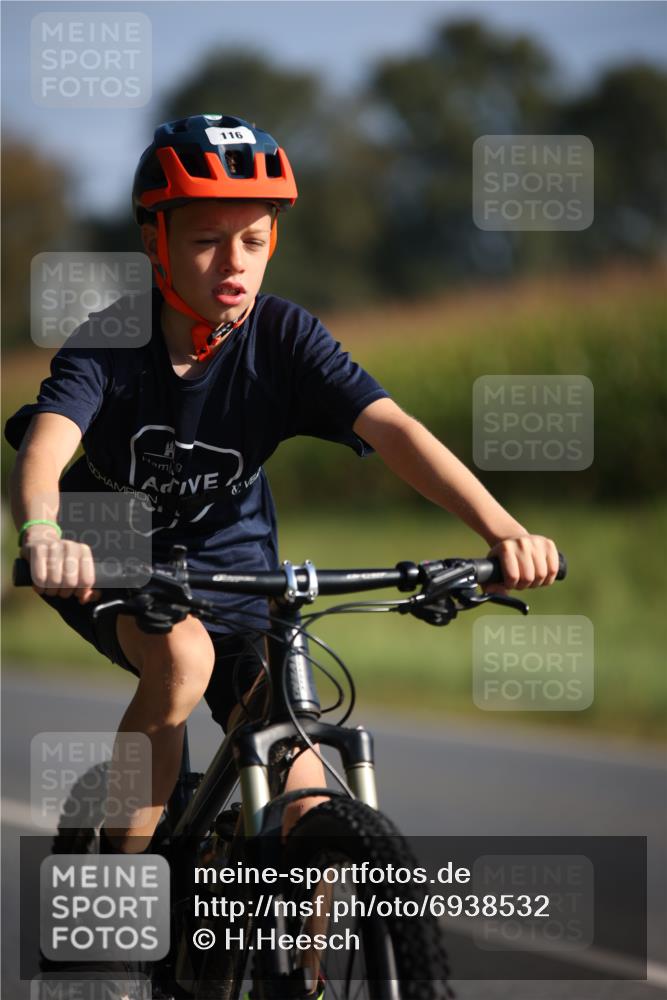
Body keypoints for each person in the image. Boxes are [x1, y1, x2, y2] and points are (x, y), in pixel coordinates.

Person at [7, 113, 560, 860]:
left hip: (236, 560)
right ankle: (119, 910)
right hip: (107, 541)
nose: (233, 263)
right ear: (153, 243)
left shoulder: (286, 338)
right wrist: (43, 533)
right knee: (183, 663)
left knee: (305, 784)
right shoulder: (113, 339)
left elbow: (394, 430)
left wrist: (502, 532)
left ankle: (300, 976)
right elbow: (47, 445)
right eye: (205, 241)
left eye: (254, 241)